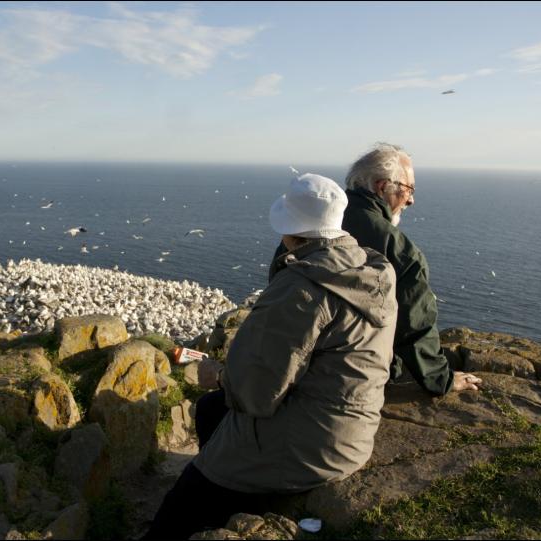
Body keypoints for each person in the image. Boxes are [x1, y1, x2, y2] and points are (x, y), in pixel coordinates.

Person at [144, 174, 398, 539]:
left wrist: (218, 375)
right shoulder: (372, 270)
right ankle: (234, 499)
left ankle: (213, 504)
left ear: (291, 231)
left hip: (316, 447)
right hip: (353, 433)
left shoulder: (303, 287)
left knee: (178, 507)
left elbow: (254, 393)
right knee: (212, 410)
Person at [333, 143, 479, 394]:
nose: (411, 199)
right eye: (409, 189)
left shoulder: (312, 226)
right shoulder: (398, 250)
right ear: (382, 186)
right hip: (358, 375)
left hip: (296, 364)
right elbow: (415, 322)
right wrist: (441, 379)